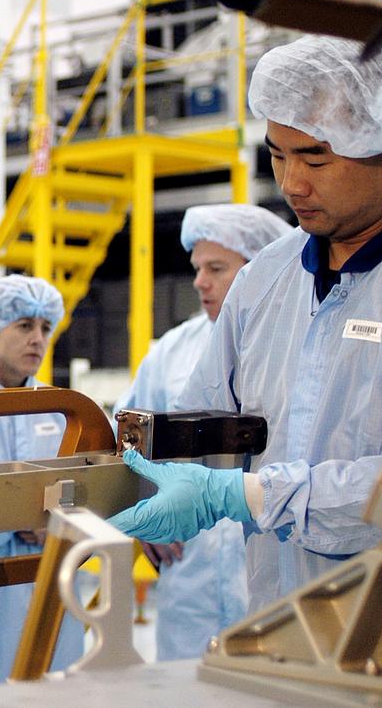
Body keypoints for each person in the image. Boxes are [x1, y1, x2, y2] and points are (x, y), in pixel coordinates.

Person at [110, 35, 382, 616]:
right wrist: (146, 480)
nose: (292, 183)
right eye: (277, 154)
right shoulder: (265, 280)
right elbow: (207, 419)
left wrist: (243, 493)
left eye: (316, 158)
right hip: (272, 621)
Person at [113, 204, 291, 659]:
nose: (199, 281)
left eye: (216, 268)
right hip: (190, 578)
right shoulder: (171, 352)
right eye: (196, 268)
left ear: (260, 268)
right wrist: (142, 516)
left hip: (274, 571)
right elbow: (126, 442)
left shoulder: (292, 346)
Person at [0, 275, 84, 683]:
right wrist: (13, 517)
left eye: (46, 328)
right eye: (24, 326)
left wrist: (57, 521)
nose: (38, 339)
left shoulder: (60, 407)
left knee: (53, 683)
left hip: (50, 576)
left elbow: (85, 487)